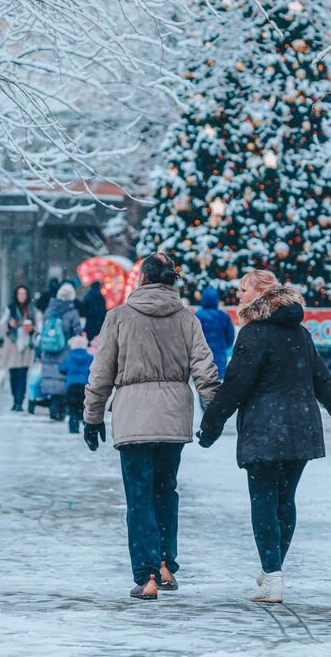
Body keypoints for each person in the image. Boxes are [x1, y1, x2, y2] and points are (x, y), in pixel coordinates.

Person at [197, 270, 331, 605]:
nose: (238, 295)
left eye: (243, 290)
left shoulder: (253, 334)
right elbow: (323, 380)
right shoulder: (299, 332)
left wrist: (210, 426)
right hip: (301, 428)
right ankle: (273, 568)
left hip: (265, 429)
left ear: (260, 295)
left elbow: (236, 385)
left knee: (264, 502)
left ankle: (272, 575)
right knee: (285, 502)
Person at [84, 252, 220, 600]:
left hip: (133, 420)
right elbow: (205, 369)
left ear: (142, 279)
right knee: (165, 491)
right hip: (173, 419)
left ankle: (146, 577)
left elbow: (101, 374)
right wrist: (215, 413)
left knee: (139, 497)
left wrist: (93, 416)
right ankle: (164, 565)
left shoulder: (119, 318)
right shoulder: (187, 319)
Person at [38, 282, 83, 420]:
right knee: (61, 380)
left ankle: (53, 407)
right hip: (63, 351)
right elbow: (77, 332)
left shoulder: (49, 310)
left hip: (48, 349)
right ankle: (60, 409)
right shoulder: (72, 312)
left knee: (50, 379)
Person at [0, 285, 37, 413]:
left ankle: (19, 401)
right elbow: (2, 327)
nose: (22, 296)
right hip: (12, 346)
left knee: (23, 375)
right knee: (13, 375)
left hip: (26, 347)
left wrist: (31, 330)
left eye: (24, 293)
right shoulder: (10, 309)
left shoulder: (31, 309)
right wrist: (10, 325)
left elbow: (38, 328)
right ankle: (15, 399)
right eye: (19, 293)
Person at [194, 287, 236, 379]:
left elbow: (191, 337)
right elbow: (230, 336)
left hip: (201, 357)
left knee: (202, 384)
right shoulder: (223, 315)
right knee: (218, 383)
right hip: (219, 356)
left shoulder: (197, 315)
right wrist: (223, 346)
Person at [59, 334, 93, 434]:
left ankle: (73, 428)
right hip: (84, 386)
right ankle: (86, 426)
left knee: (72, 409)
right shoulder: (90, 357)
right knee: (84, 408)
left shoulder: (69, 356)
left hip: (71, 386)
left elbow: (62, 369)